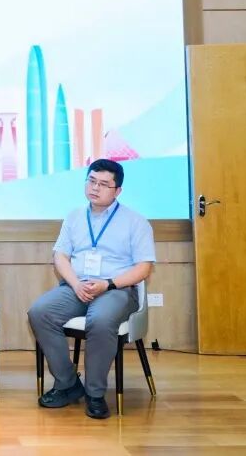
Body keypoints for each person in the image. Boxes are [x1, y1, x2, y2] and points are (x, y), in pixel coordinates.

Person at [28, 158, 155, 419]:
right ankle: (68, 383)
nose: (95, 188)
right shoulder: (74, 216)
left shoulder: (136, 221)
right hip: (77, 286)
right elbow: (60, 256)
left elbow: (144, 268)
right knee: (40, 312)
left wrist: (108, 284)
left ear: (118, 190)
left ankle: (94, 393)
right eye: (92, 181)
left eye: (104, 184)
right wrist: (75, 283)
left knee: (99, 320)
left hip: (116, 289)